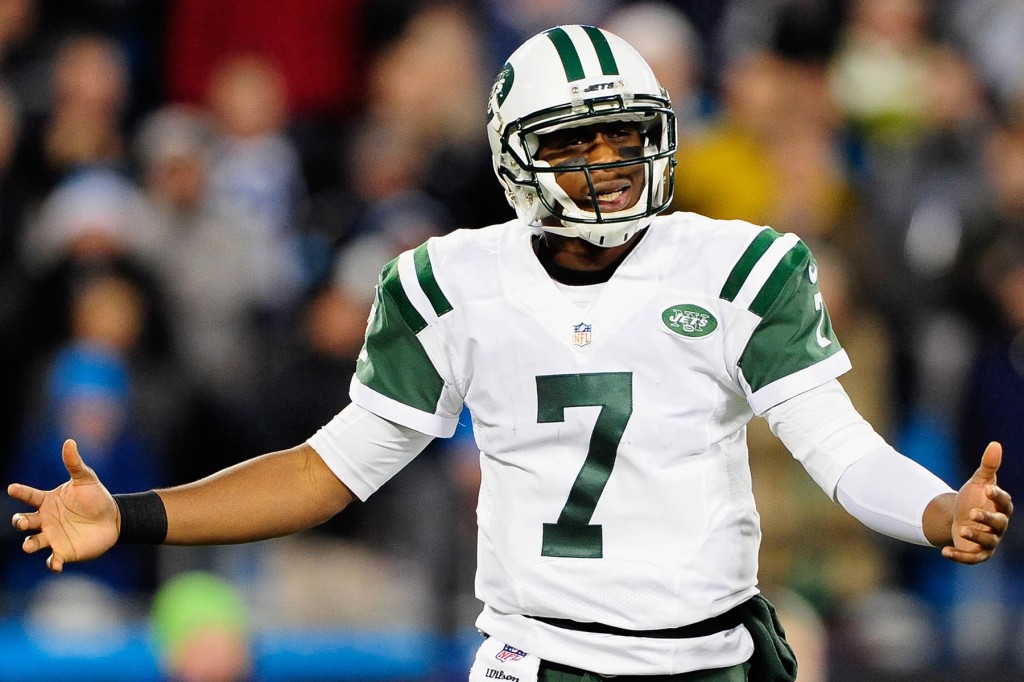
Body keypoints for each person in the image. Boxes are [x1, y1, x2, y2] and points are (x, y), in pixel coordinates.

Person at [6, 25, 1014, 681]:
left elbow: (838, 448)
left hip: (711, 657)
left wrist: (936, 510)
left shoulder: (739, 265)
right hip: (541, 659)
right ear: (513, 155)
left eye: (624, 135)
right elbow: (328, 472)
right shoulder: (451, 282)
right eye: (576, 142)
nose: (609, 162)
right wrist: (133, 515)